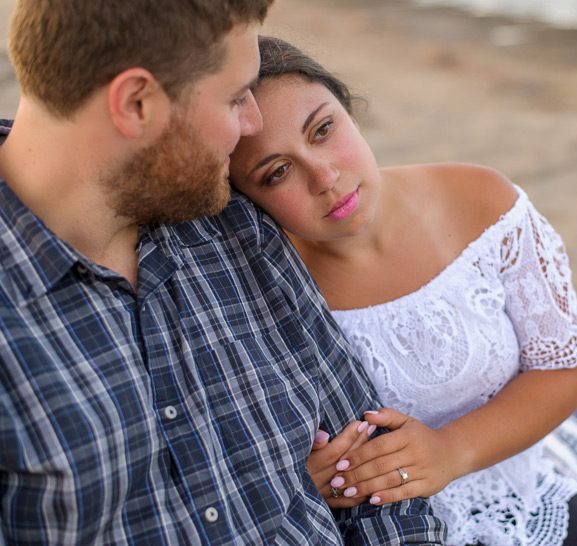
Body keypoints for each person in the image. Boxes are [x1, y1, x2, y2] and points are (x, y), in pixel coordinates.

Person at [0, 2, 445, 544]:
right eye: (236, 98)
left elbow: (385, 491)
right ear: (136, 103)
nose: (251, 124)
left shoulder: (231, 221)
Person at [229, 36, 577, 546]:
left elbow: (564, 367)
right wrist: (300, 481)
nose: (325, 176)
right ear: (247, 197)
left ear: (349, 110)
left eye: (324, 130)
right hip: (376, 528)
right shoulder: (259, 286)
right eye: (277, 172)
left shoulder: (485, 204)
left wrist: (451, 451)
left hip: (511, 491)